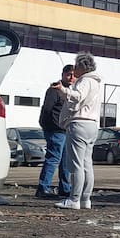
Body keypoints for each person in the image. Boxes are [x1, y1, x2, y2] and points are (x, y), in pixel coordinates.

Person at [53, 53, 102, 210]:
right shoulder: (96, 83)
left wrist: (62, 89)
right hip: (92, 125)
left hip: (79, 123)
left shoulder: (85, 81)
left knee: (76, 164)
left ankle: (74, 199)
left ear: (82, 67)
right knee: (87, 163)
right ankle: (85, 200)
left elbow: (77, 97)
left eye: (76, 66)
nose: (74, 70)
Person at [35, 65, 74, 199]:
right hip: (56, 130)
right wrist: (48, 127)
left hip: (66, 130)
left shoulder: (70, 91)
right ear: (63, 74)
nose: (72, 78)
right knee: (53, 159)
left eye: (74, 75)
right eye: (69, 74)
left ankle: (64, 188)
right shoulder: (54, 90)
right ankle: (43, 188)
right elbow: (47, 109)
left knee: (65, 162)